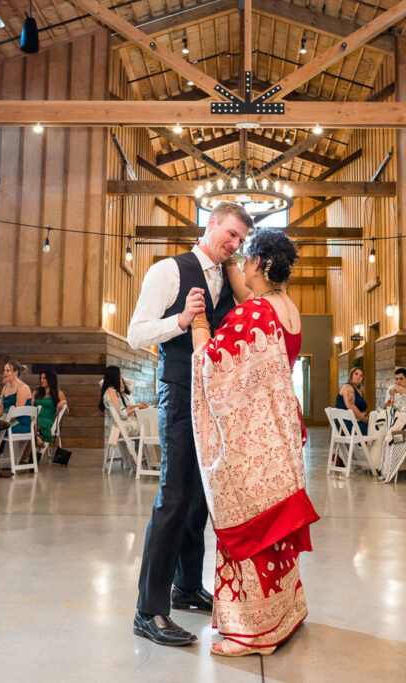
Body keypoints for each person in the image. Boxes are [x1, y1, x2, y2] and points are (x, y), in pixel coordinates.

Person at [126, 200, 250, 647]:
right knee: (174, 497)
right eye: (230, 233)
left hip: (213, 401)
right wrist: (180, 320)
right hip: (178, 393)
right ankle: (149, 610)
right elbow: (135, 333)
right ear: (210, 224)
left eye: (240, 239)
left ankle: (185, 587)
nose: (234, 244)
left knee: (200, 499)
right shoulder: (168, 271)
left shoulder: (227, 279)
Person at [190, 228, 318, 657]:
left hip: (253, 441)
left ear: (260, 264)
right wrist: (228, 263)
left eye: (245, 261)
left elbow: (214, 365)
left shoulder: (255, 314)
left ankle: (253, 634)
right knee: (277, 527)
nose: (241, 268)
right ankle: (283, 614)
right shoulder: (287, 309)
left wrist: (200, 321)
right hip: (282, 434)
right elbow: (253, 312)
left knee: (250, 527)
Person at [99, 365, 146, 436]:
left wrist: (139, 406)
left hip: (120, 425)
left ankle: (140, 447)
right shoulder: (111, 391)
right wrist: (137, 408)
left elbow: (124, 409)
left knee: (145, 425)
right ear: (114, 377)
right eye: (119, 376)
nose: (121, 378)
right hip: (120, 427)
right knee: (147, 426)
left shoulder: (111, 391)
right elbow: (122, 415)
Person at [34, 369, 67, 449]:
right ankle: (37, 439)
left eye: (44, 378)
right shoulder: (36, 392)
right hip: (35, 417)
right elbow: (29, 405)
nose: (41, 380)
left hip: (47, 420)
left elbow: (66, 412)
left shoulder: (59, 393)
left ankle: (35, 439)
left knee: (32, 423)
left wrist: (64, 402)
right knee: (28, 421)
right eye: (41, 378)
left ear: (51, 379)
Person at [337, 367, 368, 434]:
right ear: (351, 375)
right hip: (347, 425)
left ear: (362, 379)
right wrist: (364, 419)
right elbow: (350, 406)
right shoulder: (348, 387)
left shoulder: (359, 392)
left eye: (361, 376)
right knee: (377, 428)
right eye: (356, 374)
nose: (358, 377)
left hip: (354, 422)